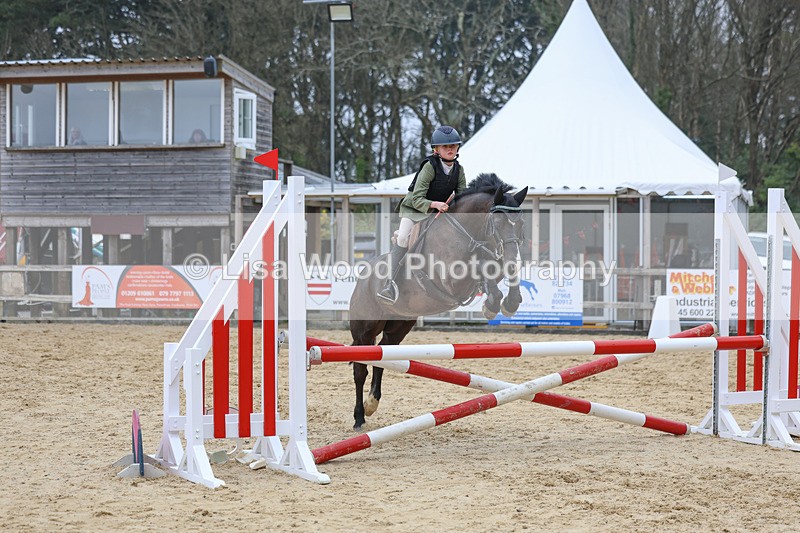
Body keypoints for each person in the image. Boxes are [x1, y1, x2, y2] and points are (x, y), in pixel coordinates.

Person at [377, 125, 467, 303]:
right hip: (415, 209)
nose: (450, 149)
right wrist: (435, 204)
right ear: (436, 149)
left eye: (453, 145)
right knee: (403, 238)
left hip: (438, 211)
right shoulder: (429, 167)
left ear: (457, 148)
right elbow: (417, 198)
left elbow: (462, 196)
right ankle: (390, 284)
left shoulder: (459, 169)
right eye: (445, 146)